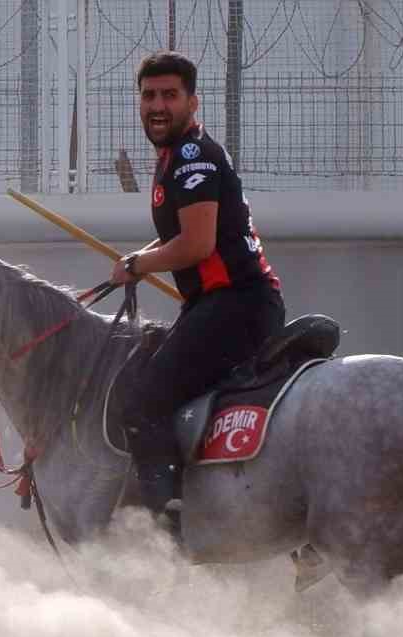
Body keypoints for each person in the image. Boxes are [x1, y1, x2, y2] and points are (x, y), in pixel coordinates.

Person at [112, 51, 286, 526]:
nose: (157, 105)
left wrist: (139, 263)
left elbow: (195, 244)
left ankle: (170, 527)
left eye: (170, 94)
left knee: (143, 405)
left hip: (235, 307)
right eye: (148, 95)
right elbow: (182, 238)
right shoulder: (179, 154)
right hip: (223, 305)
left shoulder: (191, 156)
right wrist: (138, 262)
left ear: (193, 101)